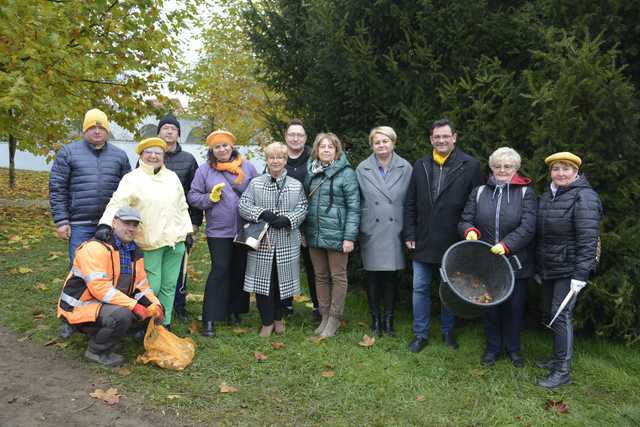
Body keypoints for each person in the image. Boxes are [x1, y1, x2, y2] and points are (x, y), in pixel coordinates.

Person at [403, 118, 483, 353]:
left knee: (450, 289)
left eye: (445, 136)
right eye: (437, 137)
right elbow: (410, 202)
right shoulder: (421, 165)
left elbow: (475, 203)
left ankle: (448, 332)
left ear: (454, 137)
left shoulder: (470, 165)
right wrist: (409, 232)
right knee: (420, 288)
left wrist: (470, 235)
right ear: (431, 139)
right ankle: (420, 334)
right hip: (423, 238)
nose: (441, 140)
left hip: (454, 239)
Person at [98, 137, 192, 329]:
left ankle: (163, 323)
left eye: (158, 152)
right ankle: (145, 322)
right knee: (151, 287)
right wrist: (105, 224)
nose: (153, 156)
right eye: (148, 152)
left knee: (169, 286)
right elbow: (118, 203)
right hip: (149, 241)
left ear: (163, 156)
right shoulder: (133, 179)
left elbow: (182, 207)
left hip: (175, 242)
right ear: (141, 155)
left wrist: (187, 231)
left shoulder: (172, 177)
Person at [56, 207, 164, 367]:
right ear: (114, 223)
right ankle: (96, 350)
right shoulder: (94, 248)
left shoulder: (134, 251)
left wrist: (155, 305)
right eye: (126, 223)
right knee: (122, 315)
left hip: (108, 303)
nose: (131, 228)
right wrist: (134, 306)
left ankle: (114, 336)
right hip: (80, 307)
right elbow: (100, 288)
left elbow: (141, 286)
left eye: (135, 225)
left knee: (152, 309)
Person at [458, 147, 536, 367]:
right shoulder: (479, 192)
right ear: (491, 168)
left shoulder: (526, 193)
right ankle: (492, 349)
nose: (502, 170)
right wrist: (469, 231)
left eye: (508, 166)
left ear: (516, 168)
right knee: (490, 306)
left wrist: (507, 245)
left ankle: (513, 349)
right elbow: (465, 219)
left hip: (516, 262)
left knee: (514, 307)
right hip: (487, 263)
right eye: (498, 166)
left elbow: (529, 226)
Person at [535, 152, 602, 388]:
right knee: (551, 314)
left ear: (576, 172)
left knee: (561, 315)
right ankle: (556, 359)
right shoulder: (548, 195)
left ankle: (562, 371)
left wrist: (580, 275)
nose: (560, 173)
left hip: (570, 269)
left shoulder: (584, 197)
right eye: (556, 169)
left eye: (566, 168)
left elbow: (588, 239)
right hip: (550, 267)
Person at [187, 130, 257, 337]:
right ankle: (210, 317)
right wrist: (210, 198)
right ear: (212, 150)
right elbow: (193, 196)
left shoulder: (248, 166)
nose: (222, 149)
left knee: (239, 269)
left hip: (245, 227)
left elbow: (259, 189)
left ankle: (234, 311)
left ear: (232, 146)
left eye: (225, 145)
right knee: (220, 270)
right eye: (217, 146)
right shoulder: (204, 171)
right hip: (219, 230)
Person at [239, 142, 308, 337]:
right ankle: (267, 321)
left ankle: (278, 318)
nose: (275, 161)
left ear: (285, 160)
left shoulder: (296, 185)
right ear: (267, 160)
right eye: (272, 157)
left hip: (287, 239)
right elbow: (243, 205)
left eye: (280, 157)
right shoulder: (256, 183)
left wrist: (288, 219)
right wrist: (263, 213)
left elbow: (303, 208)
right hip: (263, 241)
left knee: (281, 282)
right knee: (263, 282)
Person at [49, 108, 131, 265]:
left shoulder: (119, 156)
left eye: (102, 128)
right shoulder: (68, 152)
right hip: (80, 224)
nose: (98, 132)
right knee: (81, 270)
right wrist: (61, 221)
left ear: (107, 131)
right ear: (85, 130)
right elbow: (57, 188)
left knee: (111, 266)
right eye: (93, 128)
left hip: (111, 224)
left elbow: (128, 190)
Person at [355, 126, 412, 337]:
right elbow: (356, 199)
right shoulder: (362, 168)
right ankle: (375, 319)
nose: (381, 145)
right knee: (373, 276)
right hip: (372, 227)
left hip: (395, 228)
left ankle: (389, 320)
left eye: (385, 141)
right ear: (372, 145)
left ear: (393, 142)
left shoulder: (406, 167)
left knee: (390, 277)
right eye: (377, 142)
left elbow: (410, 201)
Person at [303, 132, 360, 338]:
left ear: (337, 150)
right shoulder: (311, 171)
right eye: (322, 146)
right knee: (320, 276)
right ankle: (325, 315)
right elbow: (304, 203)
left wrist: (349, 237)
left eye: (330, 147)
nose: (326, 150)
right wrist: (303, 232)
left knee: (338, 277)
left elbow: (354, 207)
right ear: (316, 150)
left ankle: (335, 318)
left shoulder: (346, 173)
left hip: (337, 233)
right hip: (314, 232)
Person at [156, 113, 203, 321]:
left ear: (178, 134)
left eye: (173, 129)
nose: (168, 131)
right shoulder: (150, 156)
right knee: (156, 266)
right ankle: (155, 305)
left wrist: (194, 222)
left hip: (180, 223)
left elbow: (195, 193)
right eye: (165, 128)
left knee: (180, 266)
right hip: (155, 222)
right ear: (159, 132)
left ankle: (179, 306)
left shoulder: (188, 160)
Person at [283, 118, 319, 321]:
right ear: (286, 137)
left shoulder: (313, 159)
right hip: (285, 223)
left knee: (313, 266)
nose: (296, 138)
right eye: (292, 134)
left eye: (300, 135)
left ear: (306, 138)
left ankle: (318, 306)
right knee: (286, 264)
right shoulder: (279, 156)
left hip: (310, 221)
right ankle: (285, 304)